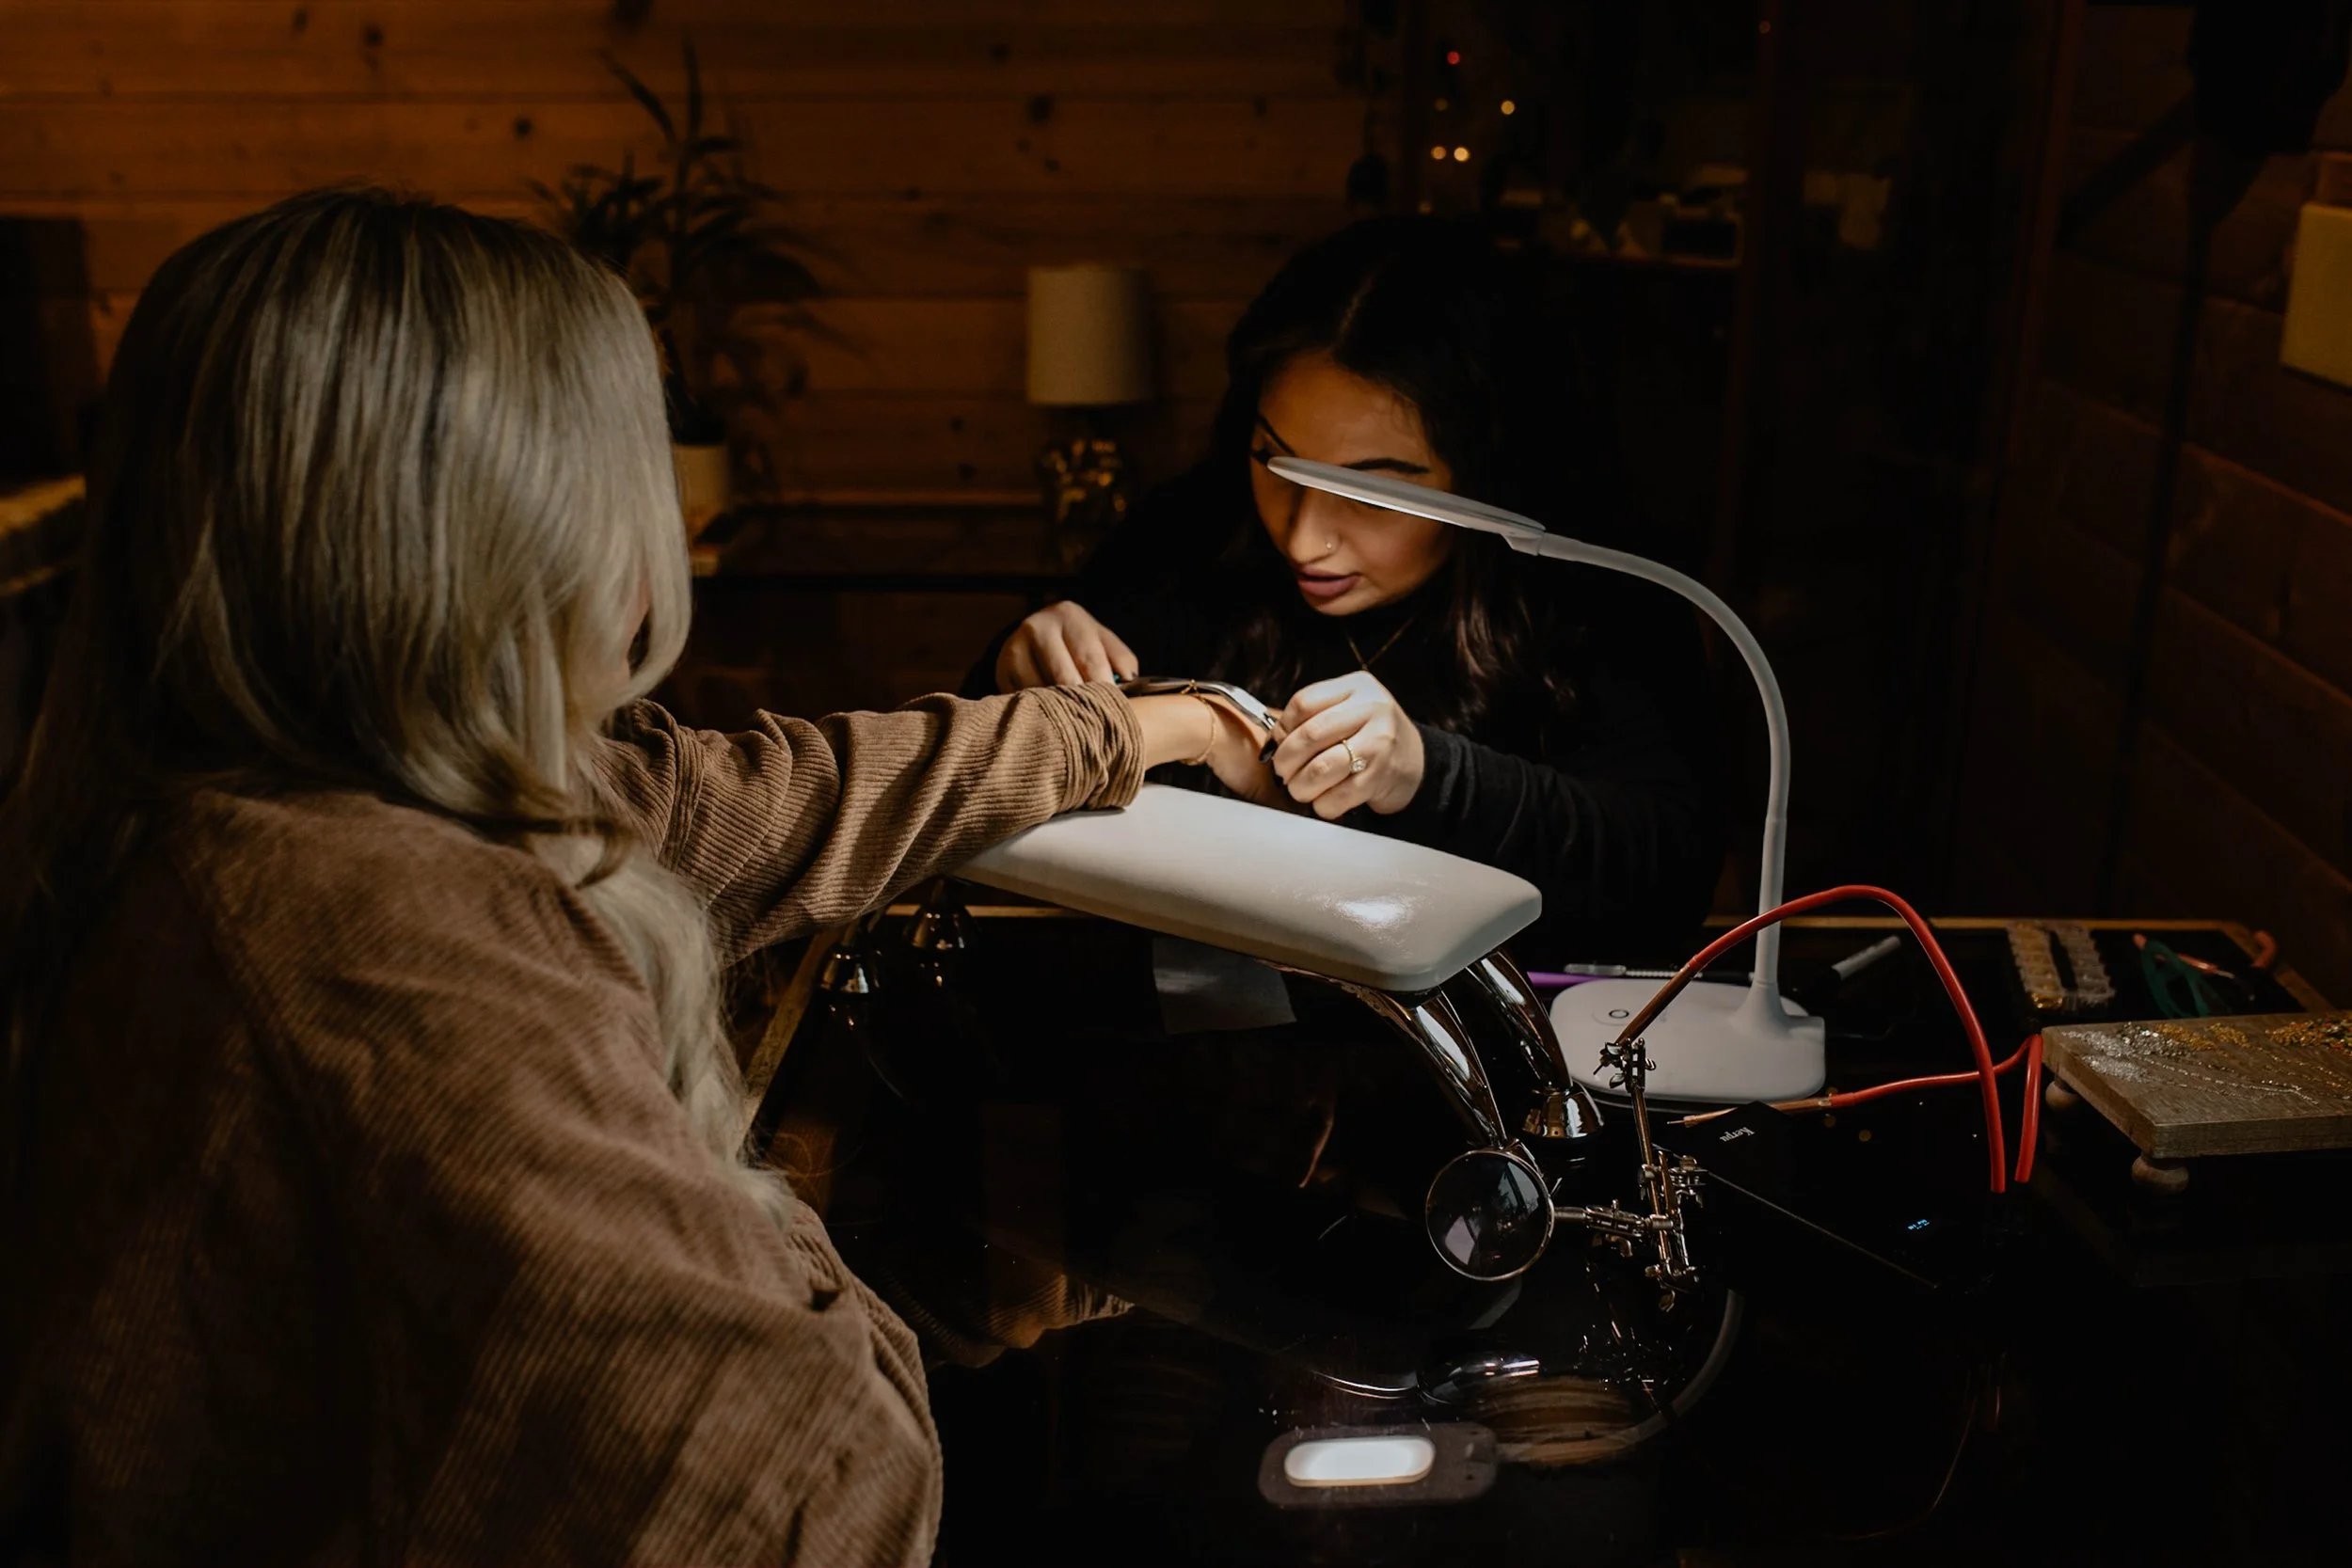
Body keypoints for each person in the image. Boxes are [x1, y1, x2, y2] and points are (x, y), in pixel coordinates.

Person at [0, 189, 1271, 1565]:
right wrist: (796, 1225)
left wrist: (1152, 720)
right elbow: (806, 1475)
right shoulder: (367, 925)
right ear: (510, 522)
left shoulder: (302, 789)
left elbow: (765, 798)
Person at [979, 218, 1721, 962]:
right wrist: (1010, 675)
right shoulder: (1192, 538)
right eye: (1277, 463)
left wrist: (1431, 776)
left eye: (1369, 491)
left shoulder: (1595, 595)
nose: (1304, 540)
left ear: (1483, 469)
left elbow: (1665, 881)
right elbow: (985, 811)